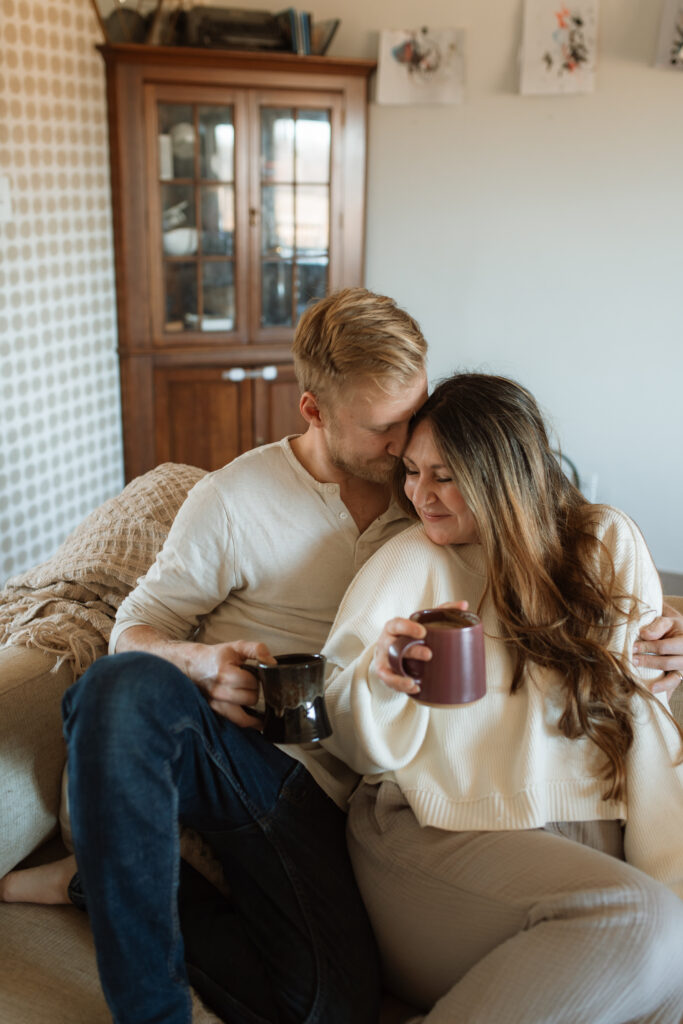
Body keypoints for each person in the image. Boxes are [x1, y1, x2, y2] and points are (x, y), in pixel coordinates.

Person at [2, 287, 429, 1024]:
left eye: (412, 415)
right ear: (314, 411)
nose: (405, 444)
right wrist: (198, 663)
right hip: (227, 741)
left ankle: (97, 881)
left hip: (323, 787)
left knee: (324, 1009)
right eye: (381, 428)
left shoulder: (430, 489)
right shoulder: (233, 499)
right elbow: (131, 628)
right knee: (119, 687)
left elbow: (547, 532)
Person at [319, 373, 683, 1024]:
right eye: (410, 472)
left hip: (579, 839)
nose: (417, 495)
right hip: (432, 829)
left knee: (668, 973)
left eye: (442, 476)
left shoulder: (604, 543)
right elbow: (338, 732)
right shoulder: (407, 562)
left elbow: (644, 718)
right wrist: (379, 679)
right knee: (646, 921)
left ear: (502, 473)